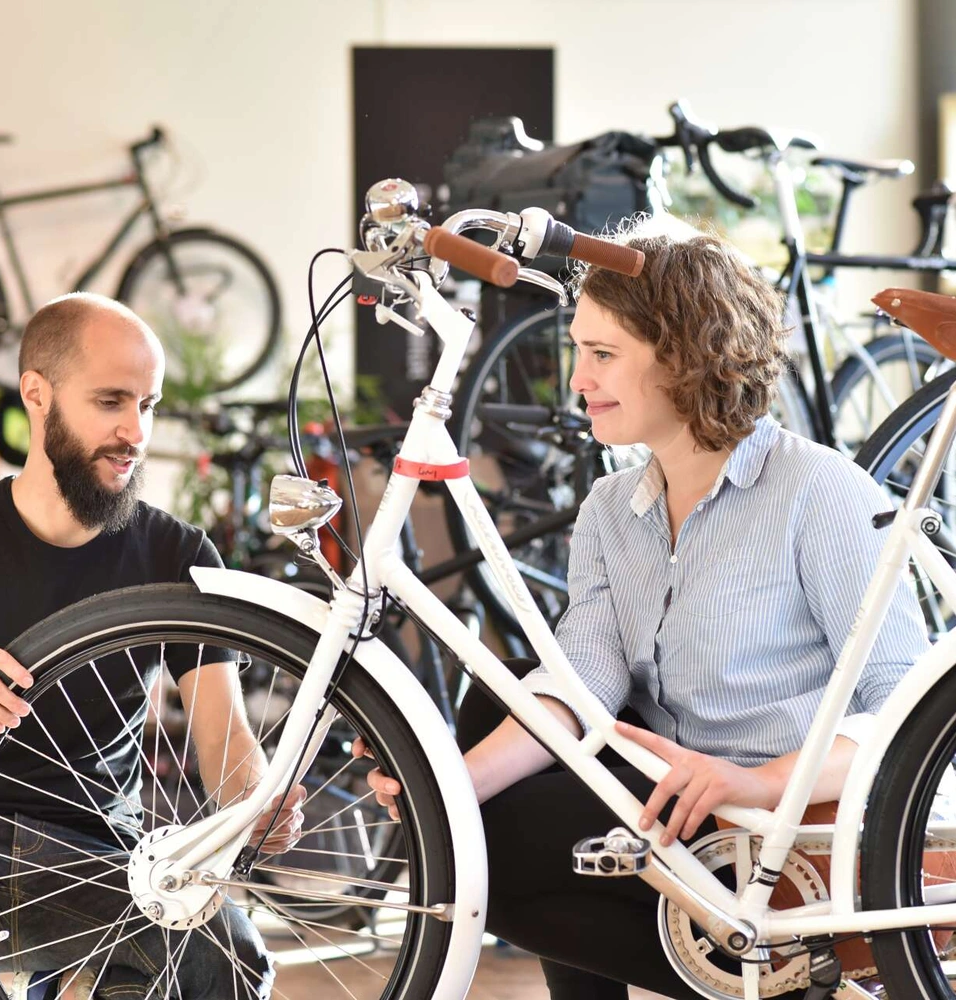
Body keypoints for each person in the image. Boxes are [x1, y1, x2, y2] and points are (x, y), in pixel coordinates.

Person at [358, 217, 930, 998]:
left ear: (687, 356)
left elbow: (912, 714)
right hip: (672, 817)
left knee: (493, 836)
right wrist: (447, 782)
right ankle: (766, 979)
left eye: (602, 355)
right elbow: (578, 682)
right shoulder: (607, 509)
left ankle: (784, 968)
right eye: (577, 353)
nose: (577, 381)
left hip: (786, 831)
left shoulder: (818, 492)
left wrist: (757, 782)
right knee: (483, 761)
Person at [0, 293, 303, 1000]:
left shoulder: (177, 553)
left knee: (222, 957)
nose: (134, 431)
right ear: (37, 396)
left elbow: (223, 739)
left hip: (107, 863)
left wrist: (259, 806)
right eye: (111, 400)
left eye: (147, 405)